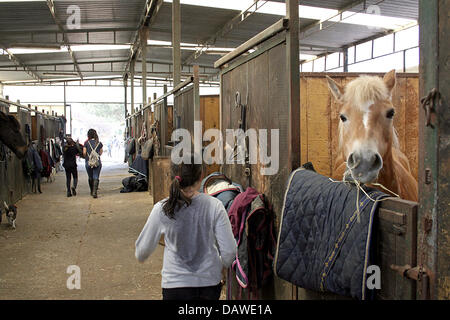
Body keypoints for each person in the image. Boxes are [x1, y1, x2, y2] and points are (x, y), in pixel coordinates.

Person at [135, 154, 236, 300]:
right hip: (209, 284)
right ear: (201, 176)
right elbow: (229, 253)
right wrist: (219, 265)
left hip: (174, 286)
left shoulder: (161, 209)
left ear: (172, 176)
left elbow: (142, 252)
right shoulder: (215, 206)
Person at [82, 129, 103, 198]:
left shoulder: (86, 143)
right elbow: (100, 153)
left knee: (90, 177)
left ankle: (91, 191)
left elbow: (84, 153)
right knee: (96, 176)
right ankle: (95, 192)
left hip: (88, 162)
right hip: (97, 162)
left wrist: (87, 156)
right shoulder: (99, 143)